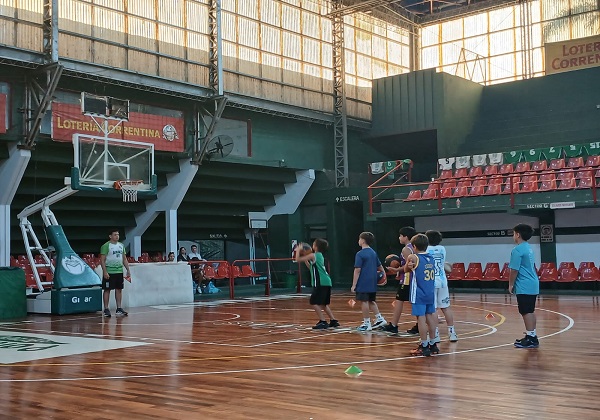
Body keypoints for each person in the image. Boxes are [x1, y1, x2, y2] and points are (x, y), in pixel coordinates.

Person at [405, 233, 438, 357]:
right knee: (430, 317)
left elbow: (406, 270)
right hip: (430, 292)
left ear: (414, 246)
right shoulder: (431, 258)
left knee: (421, 319)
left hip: (419, 293)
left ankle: (424, 346)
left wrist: (408, 265)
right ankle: (433, 344)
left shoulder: (413, 257)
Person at [295, 239, 339, 329]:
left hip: (320, 282)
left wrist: (298, 250)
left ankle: (323, 321)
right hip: (326, 282)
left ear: (315, 247)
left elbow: (297, 259)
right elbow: (311, 268)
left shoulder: (313, 255)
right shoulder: (319, 256)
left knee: (314, 302)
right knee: (323, 304)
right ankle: (333, 321)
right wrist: (306, 259)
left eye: (313, 244)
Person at [508, 223, 540, 349]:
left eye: (513, 233)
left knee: (526, 311)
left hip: (524, 284)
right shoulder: (528, 248)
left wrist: (511, 284)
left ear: (518, 235)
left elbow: (514, 270)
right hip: (532, 283)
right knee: (530, 311)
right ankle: (532, 335)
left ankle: (531, 339)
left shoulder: (517, 250)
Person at [426, 230, 458, 343]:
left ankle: (435, 334)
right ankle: (452, 333)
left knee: (433, 309)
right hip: (443, 281)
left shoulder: (426, 250)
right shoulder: (442, 249)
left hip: (431, 282)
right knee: (446, 307)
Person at [382, 226, 416, 335]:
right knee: (413, 302)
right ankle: (419, 324)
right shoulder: (415, 247)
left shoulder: (406, 249)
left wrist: (397, 269)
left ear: (406, 237)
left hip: (407, 279)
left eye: (400, 235)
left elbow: (410, 265)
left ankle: (394, 325)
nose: (399, 238)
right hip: (413, 279)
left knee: (399, 301)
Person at [351, 232, 387, 331]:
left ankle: (367, 323)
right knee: (371, 300)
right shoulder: (373, 252)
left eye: (359, 239)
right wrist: (384, 275)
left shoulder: (360, 254)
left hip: (363, 281)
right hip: (372, 281)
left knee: (364, 301)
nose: (358, 241)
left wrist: (354, 285)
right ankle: (379, 318)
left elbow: (357, 270)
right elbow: (380, 266)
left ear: (363, 240)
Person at [100, 229, 131, 318]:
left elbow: (124, 258)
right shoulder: (106, 246)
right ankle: (106, 309)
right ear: (110, 236)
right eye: (115, 235)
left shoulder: (121, 245)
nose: (117, 236)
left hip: (119, 271)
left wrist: (128, 269)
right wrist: (105, 271)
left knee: (119, 289)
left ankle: (119, 308)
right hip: (109, 272)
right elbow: (102, 260)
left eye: (118, 234)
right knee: (107, 289)